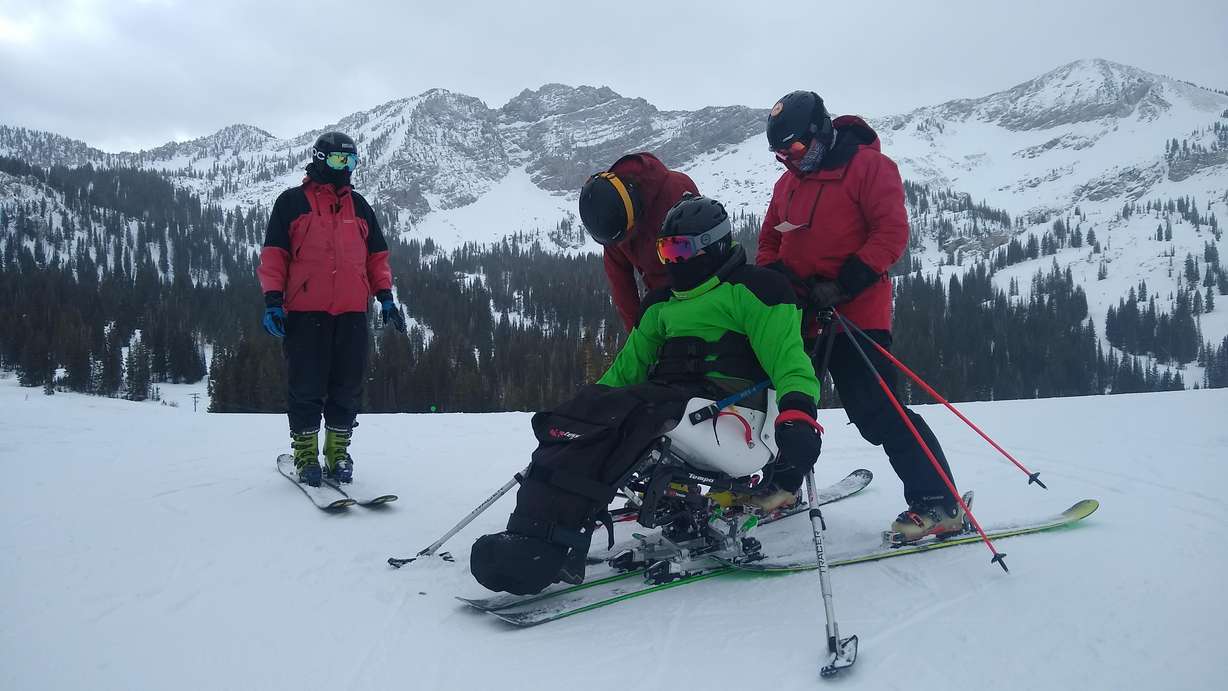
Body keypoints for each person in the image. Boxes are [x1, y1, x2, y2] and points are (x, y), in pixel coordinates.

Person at [471, 195, 824, 595]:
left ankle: (551, 544)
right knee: (588, 413)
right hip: (672, 401)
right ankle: (532, 530)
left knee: (634, 415)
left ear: (711, 245)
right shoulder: (661, 303)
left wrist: (799, 414)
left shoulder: (755, 290)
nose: (672, 261)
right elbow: (626, 370)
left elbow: (789, 360)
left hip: (734, 413)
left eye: (679, 250)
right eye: (665, 251)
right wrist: (585, 411)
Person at [758, 90, 961, 543]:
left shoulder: (869, 167)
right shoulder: (787, 184)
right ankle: (782, 485)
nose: (789, 160)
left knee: (877, 411)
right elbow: (770, 240)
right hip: (802, 314)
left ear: (821, 132)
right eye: (780, 154)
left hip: (855, 313)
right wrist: (778, 280)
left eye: (795, 148)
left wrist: (844, 283)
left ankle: (939, 502)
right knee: (787, 403)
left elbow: (891, 232)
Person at [257, 131, 407, 487]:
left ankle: (337, 452)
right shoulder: (292, 203)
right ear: (321, 159)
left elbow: (376, 257)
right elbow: (274, 256)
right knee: (306, 385)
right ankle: (306, 453)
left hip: (352, 312)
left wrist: (385, 296)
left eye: (352, 160)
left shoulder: (360, 206)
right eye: (340, 160)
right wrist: (273, 301)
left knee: (348, 386)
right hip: (306, 312)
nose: (346, 168)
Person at [578, 152, 699, 331]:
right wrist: (639, 333)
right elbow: (622, 287)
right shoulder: (612, 222)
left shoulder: (676, 192)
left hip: (696, 286)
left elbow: (698, 260)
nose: (624, 243)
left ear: (635, 211)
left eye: (628, 236)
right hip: (658, 297)